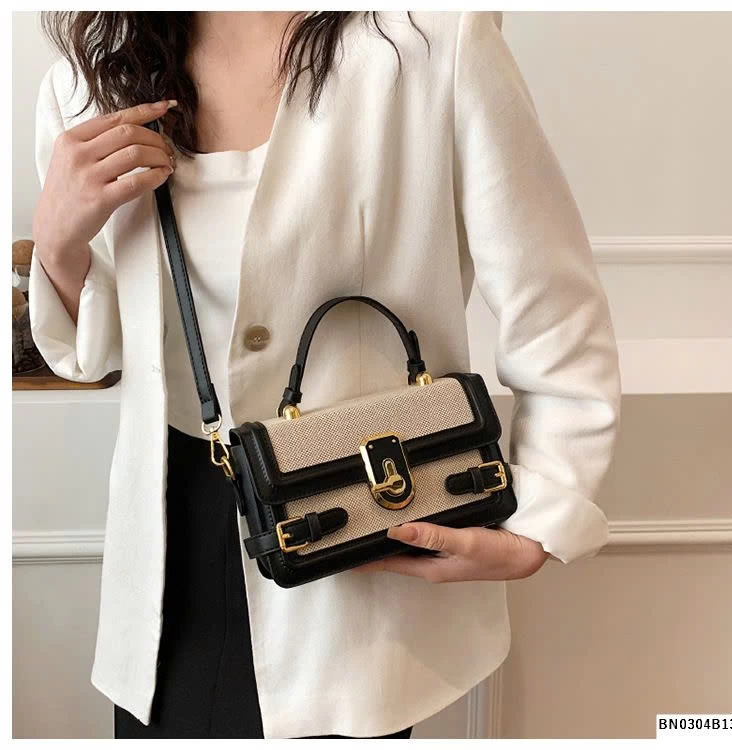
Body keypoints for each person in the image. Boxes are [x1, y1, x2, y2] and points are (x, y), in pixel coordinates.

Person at [29, 11, 621, 740]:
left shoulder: (430, 42)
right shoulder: (91, 79)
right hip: (167, 544)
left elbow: (554, 306)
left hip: (356, 524)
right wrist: (58, 240)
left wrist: (544, 512)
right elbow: (98, 353)